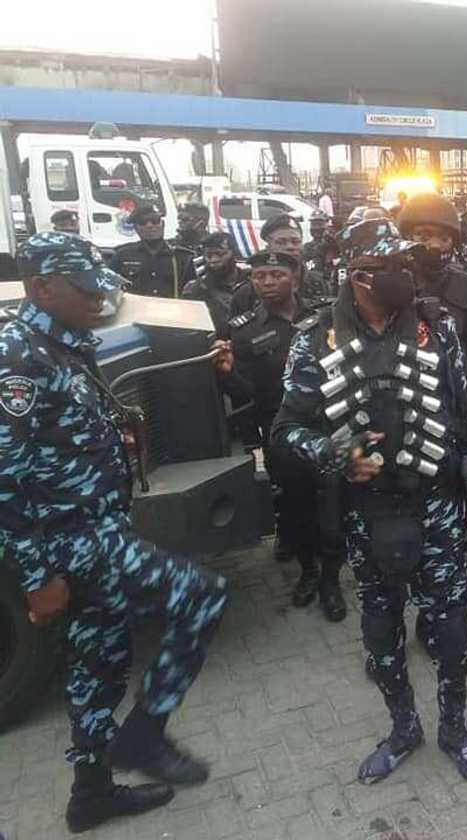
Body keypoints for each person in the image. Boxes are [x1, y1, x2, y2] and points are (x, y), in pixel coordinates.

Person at [1, 233, 228, 833]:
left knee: (100, 660)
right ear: (41, 288)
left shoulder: (62, 343)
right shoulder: (18, 359)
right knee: (203, 596)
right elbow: (4, 481)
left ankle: (91, 793)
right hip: (72, 538)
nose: (100, 297)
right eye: (85, 287)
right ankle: (146, 736)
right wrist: (38, 578)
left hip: (97, 524)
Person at [271, 237, 467, 785]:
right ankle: (402, 730)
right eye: (386, 267)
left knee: (452, 631)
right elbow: (284, 430)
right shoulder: (315, 340)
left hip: (436, 508)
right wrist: (333, 452)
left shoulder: (436, 330)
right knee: (379, 629)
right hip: (366, 516)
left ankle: (455, 732)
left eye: (404, 266)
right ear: (356, 274)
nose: (402, 275)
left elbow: (466, 415)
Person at [214, 250, 346, 622]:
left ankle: (333, 579)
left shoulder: (328, 314)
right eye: (259, 276)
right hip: (284, 433)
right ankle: (309, 573)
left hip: (335, 426)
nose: (267, 282)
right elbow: (247, 394)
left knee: (335, 508)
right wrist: (226, 373)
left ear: (296, 276)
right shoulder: (244, 330)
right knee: (297, 508)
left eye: (276, 274)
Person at [396, 194, 467, 450]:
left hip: (459, 410)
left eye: (444, 237)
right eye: (423, 235)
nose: (434, 245)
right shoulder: (388, 286)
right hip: (403, 411)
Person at [230, 214, 332, 315]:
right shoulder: (248, 292)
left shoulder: (318, 283)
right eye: (281, 242)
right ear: (268, 246)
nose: (290, 247)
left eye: (295, 242)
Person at [109, 205, 196, 298]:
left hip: (171, 311)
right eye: (143, 222)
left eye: (155, 221)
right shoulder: (122, 256)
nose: (150, 226)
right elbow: (110, 288)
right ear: (136, 228)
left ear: (162, 224)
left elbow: (192, 294)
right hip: (135, 310)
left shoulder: (181, 257)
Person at [181, 232, 248, 335]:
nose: (214, 260)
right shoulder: (195, 290)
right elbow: (189, 330)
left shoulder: (252, 284)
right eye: (209, 255)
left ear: (234, 253)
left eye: (220, 254)